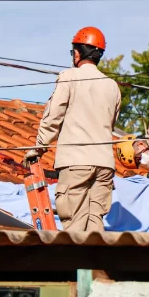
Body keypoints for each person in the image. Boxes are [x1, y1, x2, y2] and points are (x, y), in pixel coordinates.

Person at [24, 27, 122, 232]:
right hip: (104, 166)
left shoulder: (69, 77)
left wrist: (37, 149)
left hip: (76, 162)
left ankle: (75, 264)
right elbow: (110, 125)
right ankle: (94, 264)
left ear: (79, 52)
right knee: (95, 227)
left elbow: (53, 118)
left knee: (74, 228)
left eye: (73, 52)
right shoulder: (113, 86)